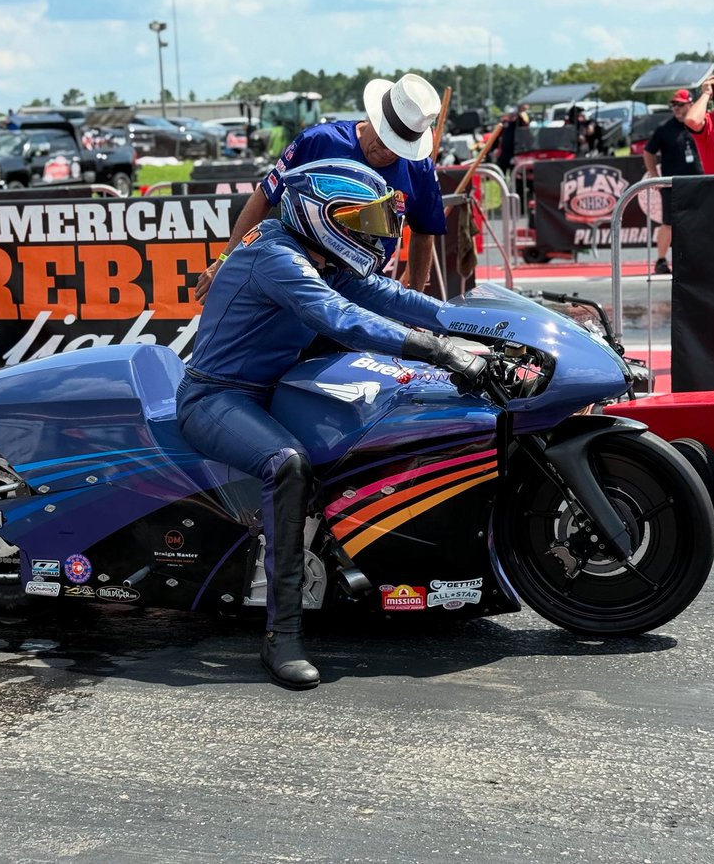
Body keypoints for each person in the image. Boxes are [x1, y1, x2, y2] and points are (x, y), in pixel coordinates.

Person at [178, 159, 486, 690]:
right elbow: (340, 317)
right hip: (216, 396)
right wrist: (439, 348)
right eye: (358, 220)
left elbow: (387, 296)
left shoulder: (313, 252)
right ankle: (283, 634)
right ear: (318, 215)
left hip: (274, 388)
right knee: (287, 465)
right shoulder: (276, 255)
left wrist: (475, 321)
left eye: (373, 221)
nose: (369, 233)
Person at [194, 73, 446, 299]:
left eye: (398, 148)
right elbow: (265, 195)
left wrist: (415, 297)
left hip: (362, 289)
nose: (388, 152)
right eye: (383, 141)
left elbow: (425, 232)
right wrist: (225, 260)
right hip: (298, 280)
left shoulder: (420, 169)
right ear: (373, 117)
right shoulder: (318, 142)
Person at [642, 89, 703, 275]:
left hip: (699, 181)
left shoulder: (700, 124)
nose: (676, 108)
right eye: (674, 105)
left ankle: (697, 259)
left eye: (680, 104)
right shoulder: (664, 129)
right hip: (672, 183)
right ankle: (661, 260)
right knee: (668, 223)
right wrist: (653, 175)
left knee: (700, 222)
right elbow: (648, 151)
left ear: (690, 104)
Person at [493, 103, 531, 172]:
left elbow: (526, 131)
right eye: (510, 114)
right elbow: (496, 136)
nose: (511, 116)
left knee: (514, 172)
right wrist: (494, 148)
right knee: (501, 171)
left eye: (513, 114)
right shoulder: (504, 123)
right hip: (504, 154)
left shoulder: (520, 123)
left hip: (516, 152)